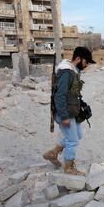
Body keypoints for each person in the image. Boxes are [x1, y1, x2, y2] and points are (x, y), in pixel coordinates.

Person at [43, 47, 96, 176]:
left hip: (72, 111)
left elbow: (71, 93)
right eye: (86, 61)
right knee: (73, 140)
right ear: (78, 59)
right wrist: (64, 116)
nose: (87, 64)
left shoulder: (73, 71)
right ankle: (69, 168)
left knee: (77, 135)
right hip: (65, 112)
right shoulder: (67, 72)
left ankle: (53, 153)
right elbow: (60, 96)